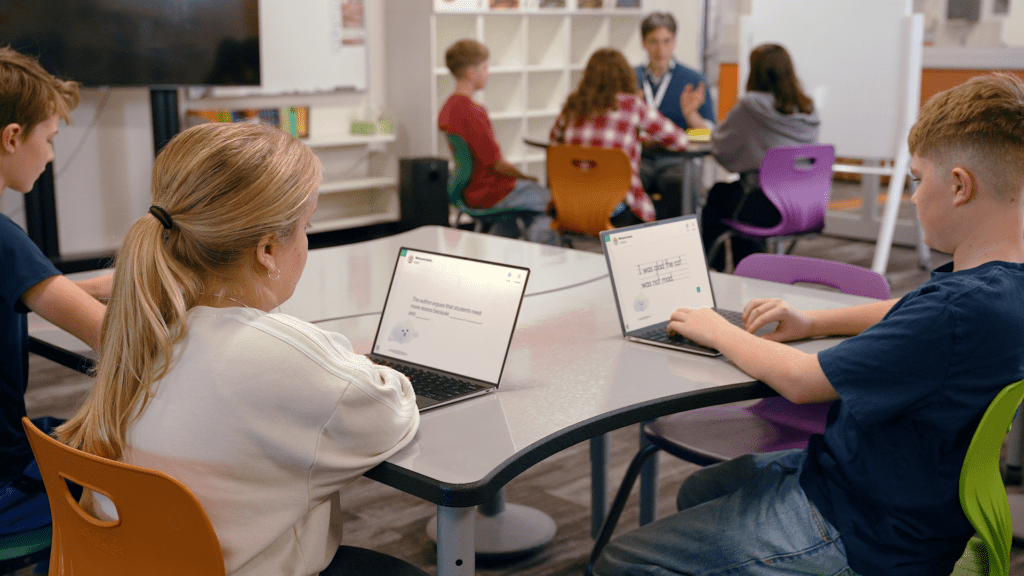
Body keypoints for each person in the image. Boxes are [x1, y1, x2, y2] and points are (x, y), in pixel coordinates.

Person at [593, 73, 1024, 575]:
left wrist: (715, 327)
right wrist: (812, 319)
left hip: (858, 528)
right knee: (697, 489)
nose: (911, 197)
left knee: (618, 562)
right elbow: (907, 307)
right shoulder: (995, 289)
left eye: (917, 179)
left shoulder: (955, 312)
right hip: (888, 496)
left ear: (958, 186)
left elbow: (801, 382)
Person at [55, 122, 420, 576]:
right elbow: (389, 413)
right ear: (267, 249)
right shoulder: (285, 359)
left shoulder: (148, 326)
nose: (306, 243)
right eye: (307, 226)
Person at [0, 46, 109, 546]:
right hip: (6, 482)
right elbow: (114, 339)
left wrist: (84, 289)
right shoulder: (4, 239)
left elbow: (13, 292)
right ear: (12, 137)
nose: (49, 155)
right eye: (49, 138)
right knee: (146, 470)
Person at [701, 43, 820, 271]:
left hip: (768, 208)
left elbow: (721, 145)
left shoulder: (750, 106)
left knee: (719, 196)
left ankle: (713, 272)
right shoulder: (807, 108)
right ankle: (749, 274)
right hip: (806, 206)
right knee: (737, 198)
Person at [437, 39, 558, 245]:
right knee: (552, 202)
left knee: (520, 209)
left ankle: (500, 249)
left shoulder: (447, 109)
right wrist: (527, 177)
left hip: (467, 190)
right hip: (489, 192)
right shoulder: (473, 112)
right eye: (485, 68)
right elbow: (496, 164)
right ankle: (544, 260)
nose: (488, 73)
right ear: (470, 72)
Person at [549, 48, 688, 227]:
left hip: (570, 207)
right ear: (626, 76)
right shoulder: (632, 105)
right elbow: (681, 141)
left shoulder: (573, 105)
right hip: (616, 212)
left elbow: (554, 141)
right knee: (669, 207)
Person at [634, 12, 715, 220]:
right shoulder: (631, 78)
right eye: (654, 42)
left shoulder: (693, 79)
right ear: (643, 43)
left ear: (674, 42)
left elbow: (709, 134)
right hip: (640, 157)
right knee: (622, 184)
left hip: (678, 159)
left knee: (679, 187)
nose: (661, 50)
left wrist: (692, 116)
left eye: (666, 41)